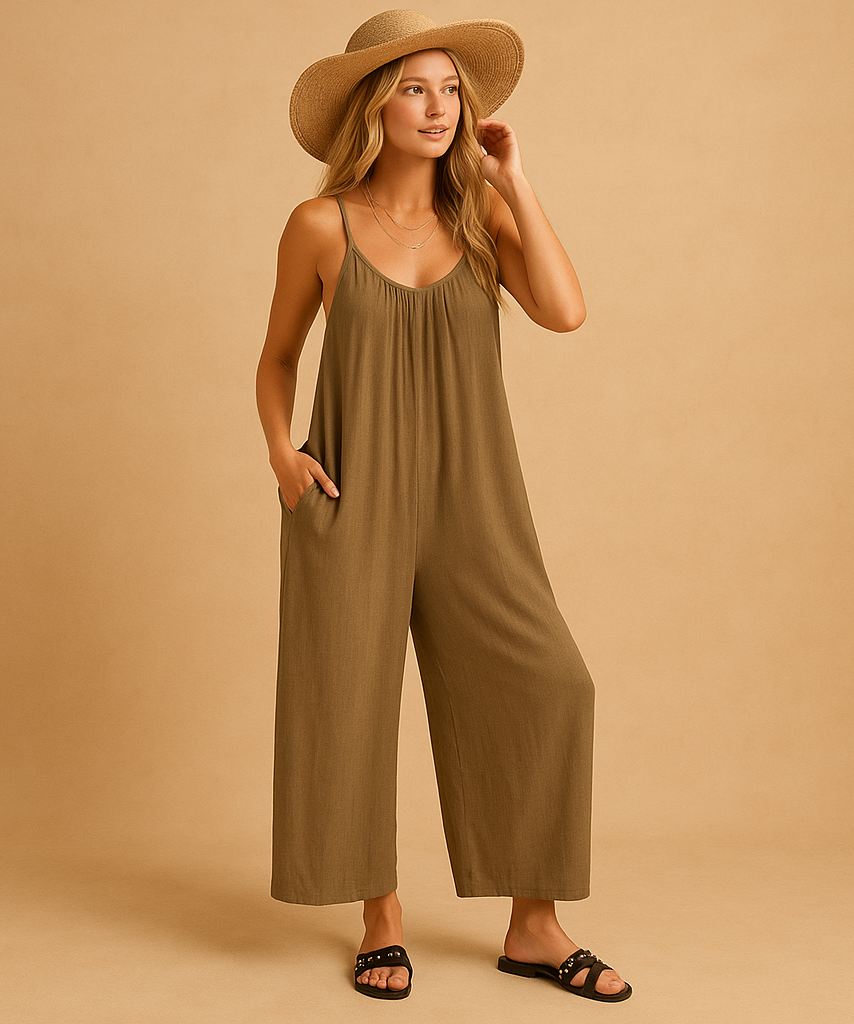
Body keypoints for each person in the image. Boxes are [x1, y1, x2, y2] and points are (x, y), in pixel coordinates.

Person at [255, 9, 632, 1004]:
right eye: (414, 88)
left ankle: (535, 927)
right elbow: (277, 357)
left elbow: (564, 311)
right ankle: (379, 920)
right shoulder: (319, 225)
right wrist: (281, 453)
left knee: (552, 683)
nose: (438, 107)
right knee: (347, 704)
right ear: (373, 107)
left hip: (475, 495)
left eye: (451, 89)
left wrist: (516, 181)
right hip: (351, 496)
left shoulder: (481, 218)